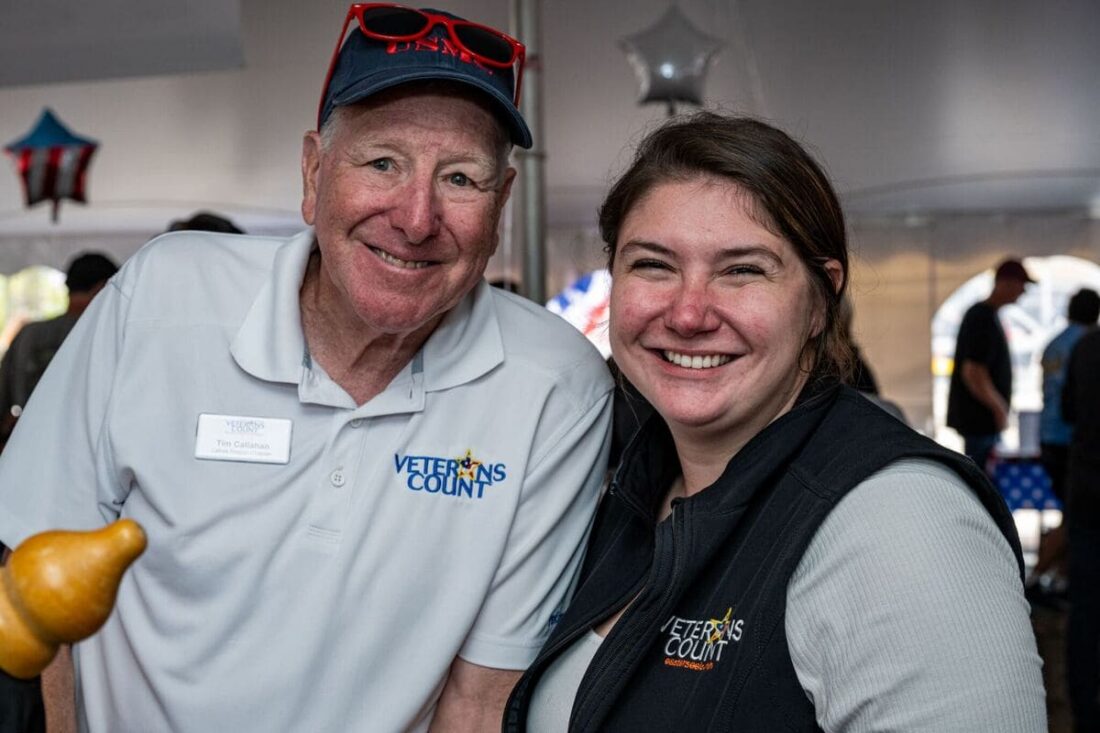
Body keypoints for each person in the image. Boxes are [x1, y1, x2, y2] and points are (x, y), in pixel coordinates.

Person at [0, 5, 612, 732]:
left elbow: (480, 699)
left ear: (502, 202)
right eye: (383, 163)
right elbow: (40, 574)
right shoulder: (163, 297)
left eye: (459, 178)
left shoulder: (557, 386)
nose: (416, 218)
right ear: (314, 172)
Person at [504, 113, 1045, 731]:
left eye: (743, 270)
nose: (688, 314)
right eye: (653, 264)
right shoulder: (630, 485)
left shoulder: (901, 520)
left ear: (820, 301)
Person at [0, 252, 118, 449]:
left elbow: (3, 393)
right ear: (102, 287)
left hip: (26, 444)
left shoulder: (29, 334)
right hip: (83, 449)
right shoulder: (105, 335)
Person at [1030, 288, 1100, 599]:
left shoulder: (1054, 344)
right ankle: (1037, 578)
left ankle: (1060, 577)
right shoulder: (1088, 345)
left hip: (1048, 436)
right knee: (1075, 518)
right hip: (1075, 442)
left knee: (1073, 514)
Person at [946, 257, 1034, 474]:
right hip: (980, 422)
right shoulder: (981, 318)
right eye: (1021, 285)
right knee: (982, 479)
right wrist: (999, 408)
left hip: (982, 423)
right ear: (1005, 283)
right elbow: (973, 371)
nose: (1023, 292)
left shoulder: (986, 316)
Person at [1062, 321, 1100, 731]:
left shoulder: (1087, 347)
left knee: (1085, 607)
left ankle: (1084, 711)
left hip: (1088, 485)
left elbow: (1068, 410)